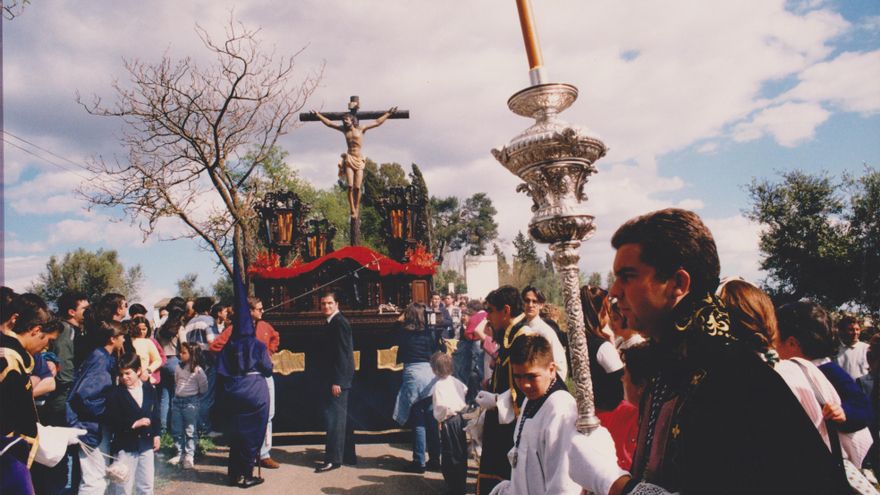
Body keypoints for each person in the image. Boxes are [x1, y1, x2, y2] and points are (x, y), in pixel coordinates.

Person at [567, 208, 846, 495]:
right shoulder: (672, 365)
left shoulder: (733, 377)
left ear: (678, 283)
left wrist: (613, 483)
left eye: (627, 276)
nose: (614, 291)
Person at [776, 301, 874, 468]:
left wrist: (844, 412)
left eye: (776, 338)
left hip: (837, 459)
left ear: (792, 343)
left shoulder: (827, 370)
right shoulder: (791, 370)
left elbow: (864, 407)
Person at [489, 334, 580, 495]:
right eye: (518, 376)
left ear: (552, 370)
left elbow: (564, 484)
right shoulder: (531, 399)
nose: (525, 384)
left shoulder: (560, 409)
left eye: (532, 376)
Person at [216, 263, 272, 488]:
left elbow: (220, 370)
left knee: (237, 433)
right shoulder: (257, 345)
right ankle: (247, 474)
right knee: (253, 433)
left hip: (233, 389)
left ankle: (233, 475)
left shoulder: (229, 345)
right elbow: (268, 369)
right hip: (255, 390)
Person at [473, 286, 532, 495]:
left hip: (513, 430)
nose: (488, 317)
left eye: (490, 311)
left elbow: (527, 389)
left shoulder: (524, 339)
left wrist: (497, 400)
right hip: (501, 427)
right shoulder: (511, 338)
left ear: (506, 310)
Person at [212, 296, 280, 468]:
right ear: (249, 311)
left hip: (264, 375)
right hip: (246, 381)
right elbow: (215, 346)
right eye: (259, 309)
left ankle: (264, 453)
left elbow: (275, 337)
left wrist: (268, 353)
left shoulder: (264, 326)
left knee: (268, 415)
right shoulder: (234, 330)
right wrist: (234, 364)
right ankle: (248, 455)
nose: (262, 311)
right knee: (247, 418)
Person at [1, 293, 58, 494]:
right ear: (36, 331)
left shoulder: (16, 357)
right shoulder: (7, 360)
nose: (46, 348)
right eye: (47, 341)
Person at [68, 320, 127, 495]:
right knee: (95, 481)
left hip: (93, 425)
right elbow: (86, 396)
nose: (124, 340)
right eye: (122, 336)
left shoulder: (101, 356)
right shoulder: (100, 360)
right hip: (90, 426)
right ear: (112, 338)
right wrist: (110, 413)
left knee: (98, 478)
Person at [310, 104, 397, 218]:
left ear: (352, 120)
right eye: (343, 120)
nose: (344, 121)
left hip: (359, 160)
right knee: (350, 186)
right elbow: (330, 124)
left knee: (357, 187)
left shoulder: (361, 129)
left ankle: (356, 207)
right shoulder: (344, 130)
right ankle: (352, 208)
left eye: (346, 119)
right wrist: (318, 115)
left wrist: (388, 114)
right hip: (349, 159)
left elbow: (376, 122)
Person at [393, 302, 441, 473]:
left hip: (413, 374)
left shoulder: (404, 333)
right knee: (432, 419)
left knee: (418, 420)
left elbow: (391, 334)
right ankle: (435, 459)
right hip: (430, 374)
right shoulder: (431, 333)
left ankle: (419, 461)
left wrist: (399, 319)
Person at [315, 291, 358, 473]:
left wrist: (337, 381)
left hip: (338, 380)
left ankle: (333, 460)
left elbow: (343, 355)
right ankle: (348, 455)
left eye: (330, 303)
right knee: (342, 420)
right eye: (324, 304)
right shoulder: (333, 322)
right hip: (337, 378)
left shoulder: (339, 323)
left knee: (335, 420)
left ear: (337, 304)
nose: (326, 307)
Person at [107, 353, 161, 495]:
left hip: (146, 443)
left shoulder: (149, 389)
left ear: (138, 371)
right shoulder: (116, 394)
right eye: (121, 374)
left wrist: (157, 434)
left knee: (146, 484)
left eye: (128, 373)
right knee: (123, 486)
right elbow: (112, 420)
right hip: (126, 446)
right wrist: (133, 423)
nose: (124, 378)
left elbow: (155, 413)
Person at [581, 285, 625, 412]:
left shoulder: (580, 343)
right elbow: (622, 386)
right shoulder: (602, 348)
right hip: (609, 415)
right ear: (603, 312)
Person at [431, 351, 468, 494]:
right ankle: (460, 482)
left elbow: (440, 407)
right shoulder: (455, 381)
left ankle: (454, 484)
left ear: (434, 370)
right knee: (460, 451)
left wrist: (440, 419)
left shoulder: (439, 386)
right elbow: (465, 390)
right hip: (459, 419)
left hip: (449, 421)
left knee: (450, 453)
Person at [181, 296, 219, 437]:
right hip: (207, 360)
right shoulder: (209, 321)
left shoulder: (189, 323)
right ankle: (205, 429)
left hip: (193, 360)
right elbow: (212, 341)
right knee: (207, 395)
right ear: (208, 308)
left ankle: (194, 428)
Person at [168, 342, 207, 469]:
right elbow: (176, 380)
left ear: (192, 355)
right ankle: (180, 453)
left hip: (191, 402)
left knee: (190, 430)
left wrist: (194, 394)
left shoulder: (198, 370)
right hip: (177, 401)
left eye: (184, 352)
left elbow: (204, 387)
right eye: (180, 351)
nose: (180, 354)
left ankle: (189, 456)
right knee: (177, 429)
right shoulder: (178, 367)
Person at [521, 286, 568, 380]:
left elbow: (560, 365)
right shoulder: (520, 328)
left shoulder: (545, 331)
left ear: (541, 305)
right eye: (527, 301)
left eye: (534, 301)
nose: (530, 305)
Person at [156, 298, 186, 432]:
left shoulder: (160, 328)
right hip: (175, 360)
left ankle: (163, 427)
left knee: (164, 396)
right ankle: (176, 427)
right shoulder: (180, 328)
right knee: (176, 396)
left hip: (162, 362)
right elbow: (184, 346)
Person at [837, 315, 871, 380]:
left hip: (863, 389)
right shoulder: (835, 350)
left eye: (857, 329)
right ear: (842, 331)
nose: (855, 332)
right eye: (851, 330)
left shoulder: (867, 349)